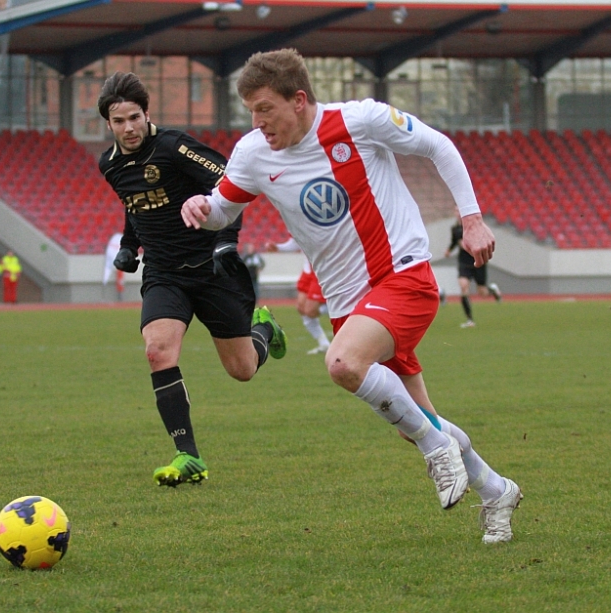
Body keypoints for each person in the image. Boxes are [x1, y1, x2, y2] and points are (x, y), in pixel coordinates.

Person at [182, 49, 522, 544]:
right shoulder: (253, 154)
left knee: (343, 364)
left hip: (402, 275)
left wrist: (471, 220)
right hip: (349, 304)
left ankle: (437, 450)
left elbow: (439, 146)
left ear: (299, 100)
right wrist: (201, 207)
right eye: (251, 111)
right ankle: (496, 490)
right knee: (415, 420)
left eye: (265, 109)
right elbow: (222, 209)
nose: (257, 122)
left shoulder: (361, 120)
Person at [97, 71, 288, 487]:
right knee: (157, 351)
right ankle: (188, 455)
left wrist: (226, 241)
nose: (128, 128)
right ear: (108, 124)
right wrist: (129, 245)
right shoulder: (109, 165)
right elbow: (133, 204)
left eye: (134, 117)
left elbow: (231, 184)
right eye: (119, 121)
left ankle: (264, 330)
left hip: (211, 269)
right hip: (164, 273)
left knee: (242, 369)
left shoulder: (174, 146)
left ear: (147, 113)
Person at [267, 237, 332, 355]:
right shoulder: (298, 226)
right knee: (301, 307)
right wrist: (279, 247)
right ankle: (324, 344)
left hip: (322, 268)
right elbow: (296, 240)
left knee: (310, 311)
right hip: (308, 270)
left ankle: (345, 311)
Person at [444, 207, 501, 328]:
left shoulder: (473, 227)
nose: (458, 213)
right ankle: (470, 320)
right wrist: (449, 250)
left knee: (482, 292)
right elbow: (454, 241)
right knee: (463, 286)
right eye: (456, 211)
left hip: (477, 261)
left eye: (459, 210)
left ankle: (492, 290)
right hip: (464, 262)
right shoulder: (455, 229)